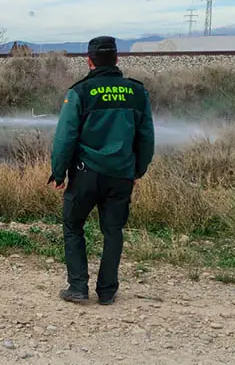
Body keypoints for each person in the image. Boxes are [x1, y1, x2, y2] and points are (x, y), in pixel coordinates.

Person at [50, 36, 155, 305]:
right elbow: (146, 138)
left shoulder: (80, 92)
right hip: (121, 175)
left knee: (73, 226)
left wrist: (59, 172)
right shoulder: (136, 92)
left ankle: (77, 287)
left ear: (89, 60)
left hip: (86, 175)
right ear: (117, 59)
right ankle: (107, 291)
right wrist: (137, 171)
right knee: (113, 231)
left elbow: (65, 137)